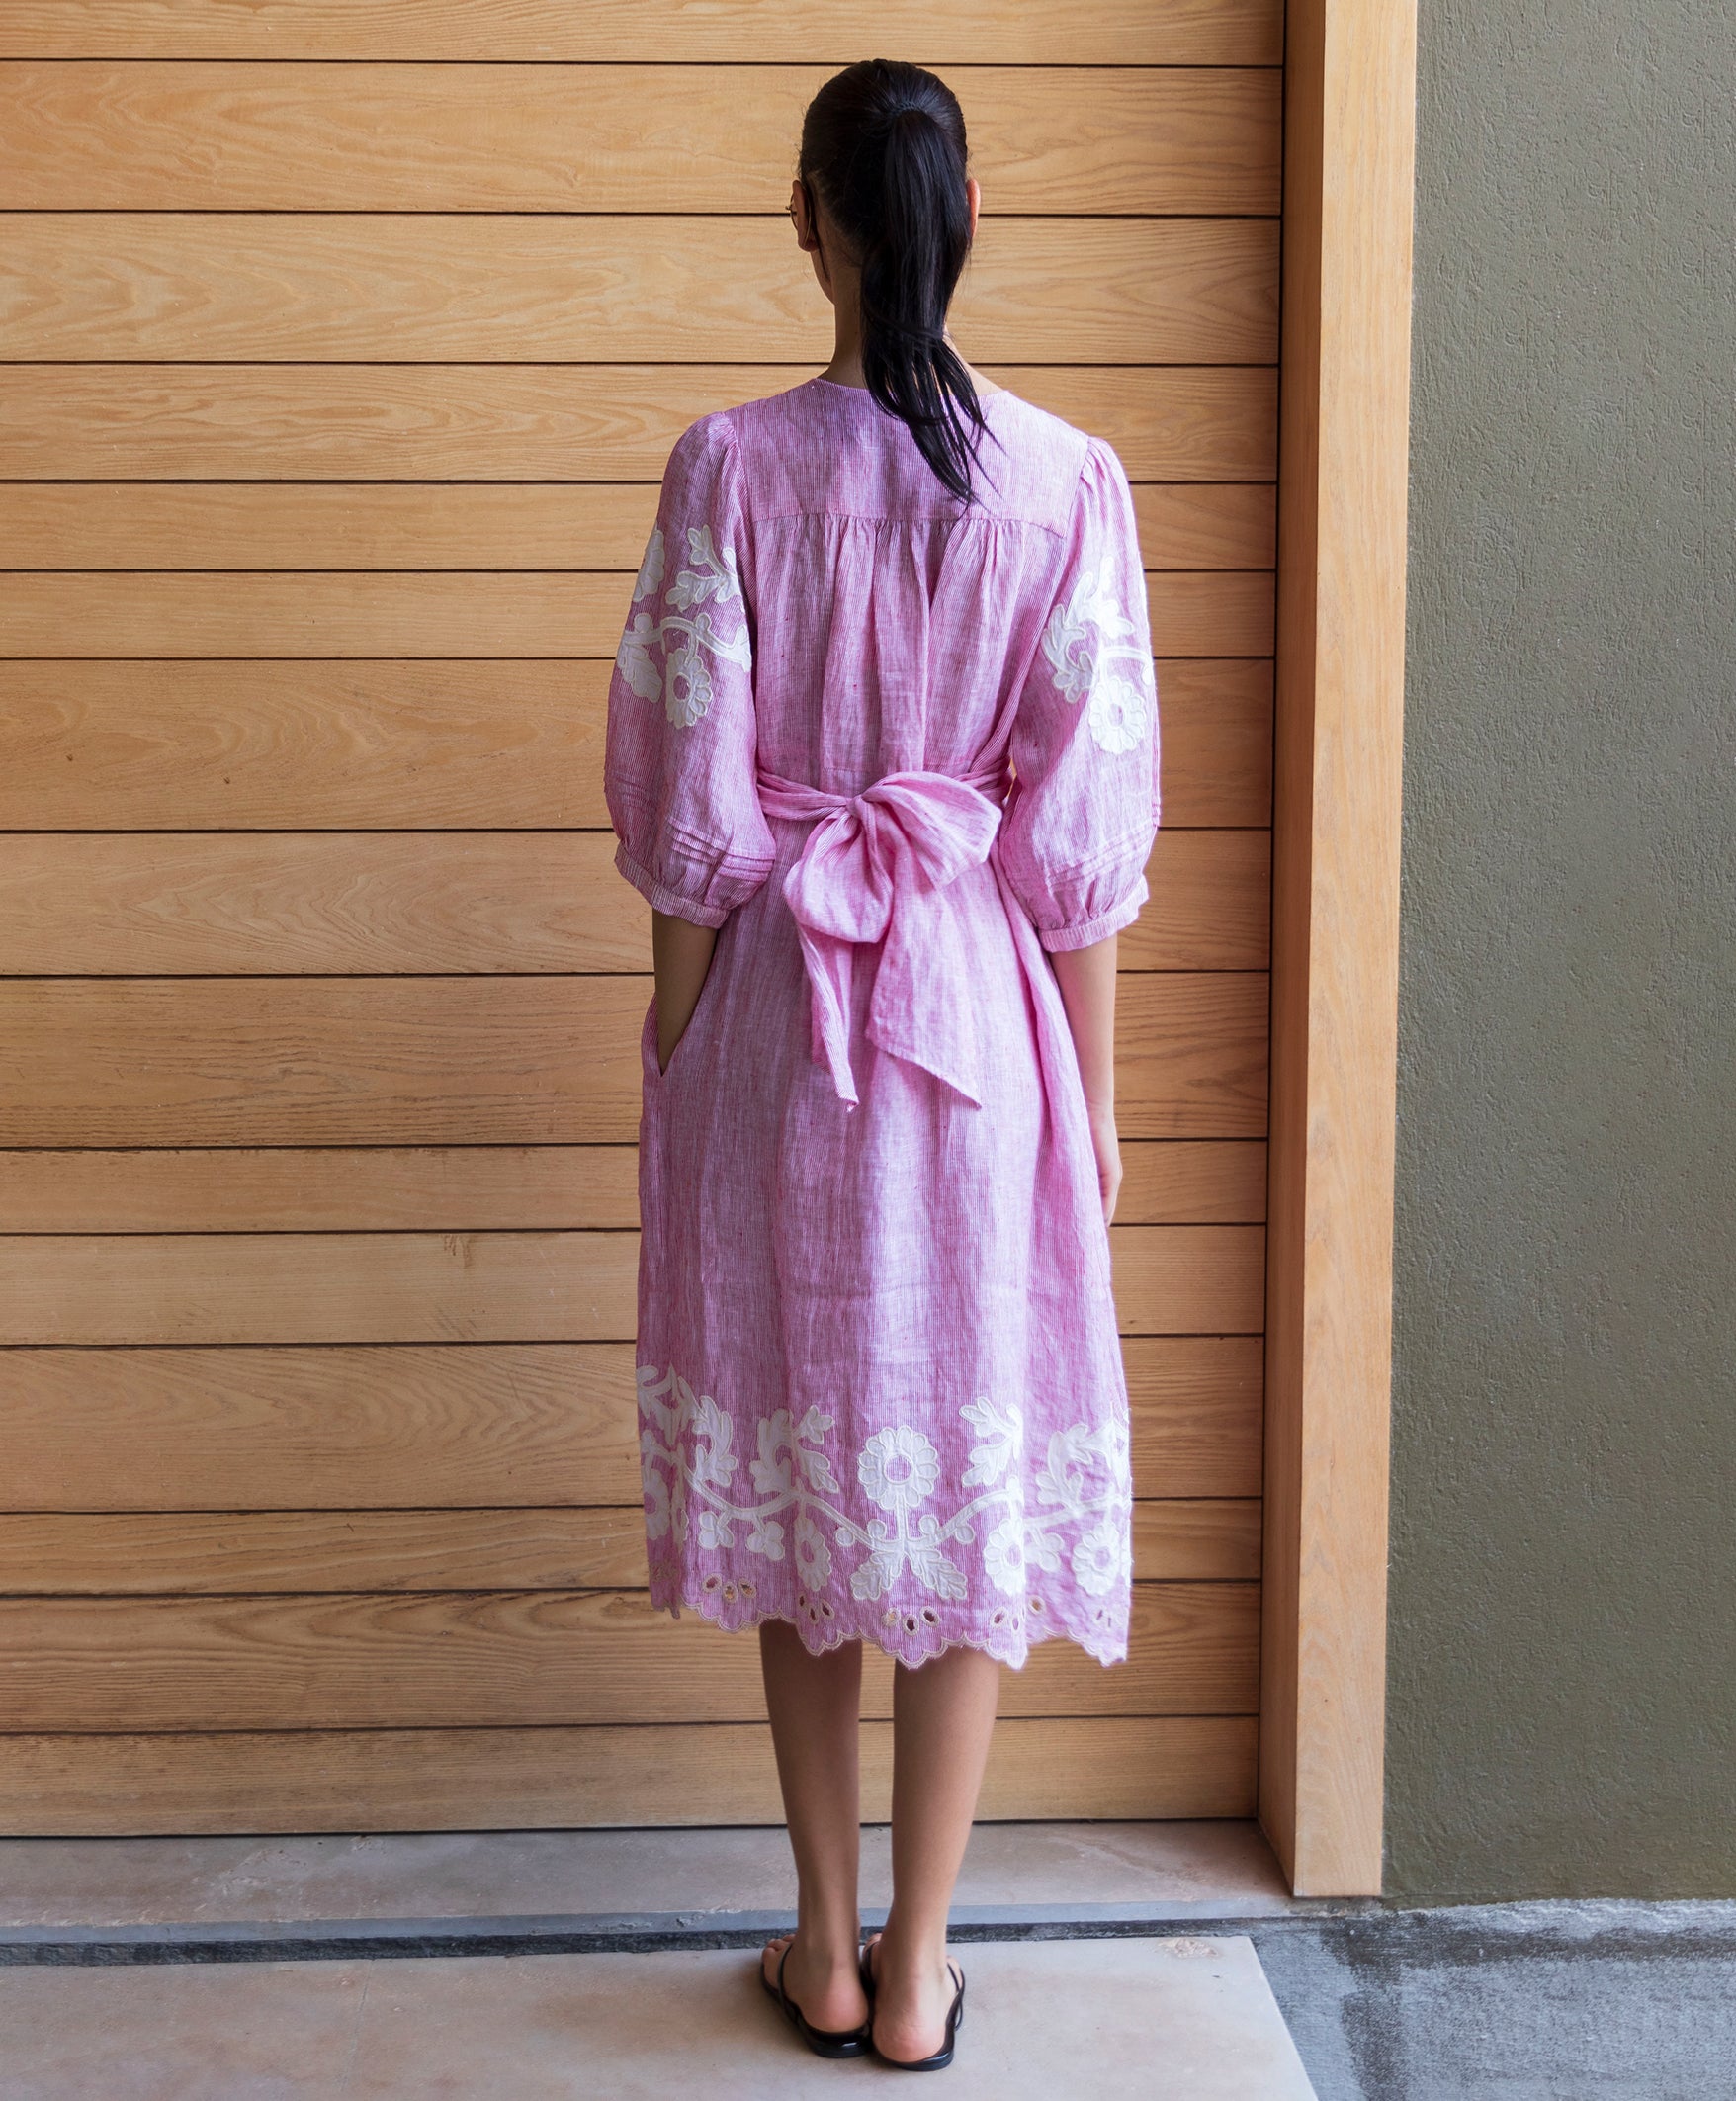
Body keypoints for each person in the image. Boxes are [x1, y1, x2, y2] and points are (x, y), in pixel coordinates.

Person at [603, 56, 1161, 2073]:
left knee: (810, 1453)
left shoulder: (725, 470)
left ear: (805, 220)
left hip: (783, 1009)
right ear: (972, 213)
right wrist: (1086, 1102)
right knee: (963, 1479)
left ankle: (822, 1942)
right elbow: (1079, 848)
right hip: (981, 1027)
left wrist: (675, 1041)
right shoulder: (1066, 480)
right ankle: (921, 1965)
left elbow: (685, 805)